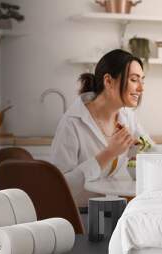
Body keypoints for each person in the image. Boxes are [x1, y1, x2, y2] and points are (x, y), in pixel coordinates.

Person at [51, 49, 152, 208]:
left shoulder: (127, 116)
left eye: (142, 81)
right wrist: (109, 154)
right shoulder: (72, 123)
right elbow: (58, 188)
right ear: (108, 81)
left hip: (115, 210)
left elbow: (150, 148)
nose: (141, 88)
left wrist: (139, 149)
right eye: (134, 79)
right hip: (81, 216)